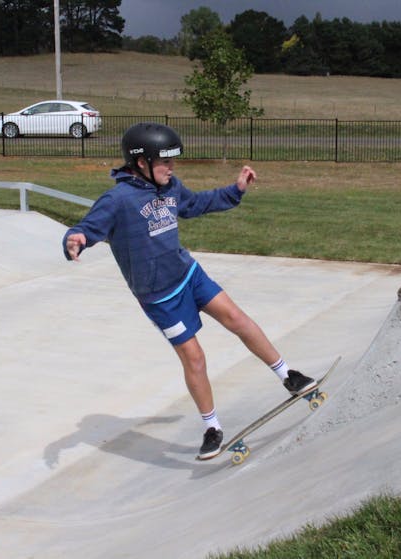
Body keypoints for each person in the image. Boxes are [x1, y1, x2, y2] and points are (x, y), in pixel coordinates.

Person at [62, 122, 317, 460]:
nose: (172, 168)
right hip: (159, 297)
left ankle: (289, 376)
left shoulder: (169, 187)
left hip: (188, 274)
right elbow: (88, 227)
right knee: (194, 357)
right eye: (165, 162)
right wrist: (76, 238)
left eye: (173, 161)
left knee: (236, 318)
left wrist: (235, 190)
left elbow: (195, 204)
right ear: (141, 163)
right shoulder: (118, 199)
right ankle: (212, 427)